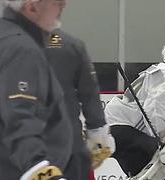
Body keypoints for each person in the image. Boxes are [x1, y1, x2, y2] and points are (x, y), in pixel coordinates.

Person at [0, 0, 73, 179]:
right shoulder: (20, 49)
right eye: (57, 2)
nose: (64, 6)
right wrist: (41, 171)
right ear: (31, 6)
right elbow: (19, 119)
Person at [105, 38, 165, 179]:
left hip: (115, 129)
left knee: (142, 173)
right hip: (126, 130)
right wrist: (159, 143)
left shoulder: (159, 71)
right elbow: (156, 109)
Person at [45, 29, 115, 180]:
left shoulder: (9, 44)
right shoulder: (71, 45)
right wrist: (98, 134)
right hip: (69, 144)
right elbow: (89, 93)